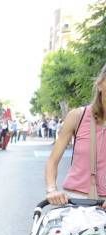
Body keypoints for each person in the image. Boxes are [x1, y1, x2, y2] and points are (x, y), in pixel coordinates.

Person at [45, 63, 106, 205]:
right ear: (100, 84)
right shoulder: (77, 116)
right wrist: (52, 190)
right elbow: (52, 161)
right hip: (75, 201)